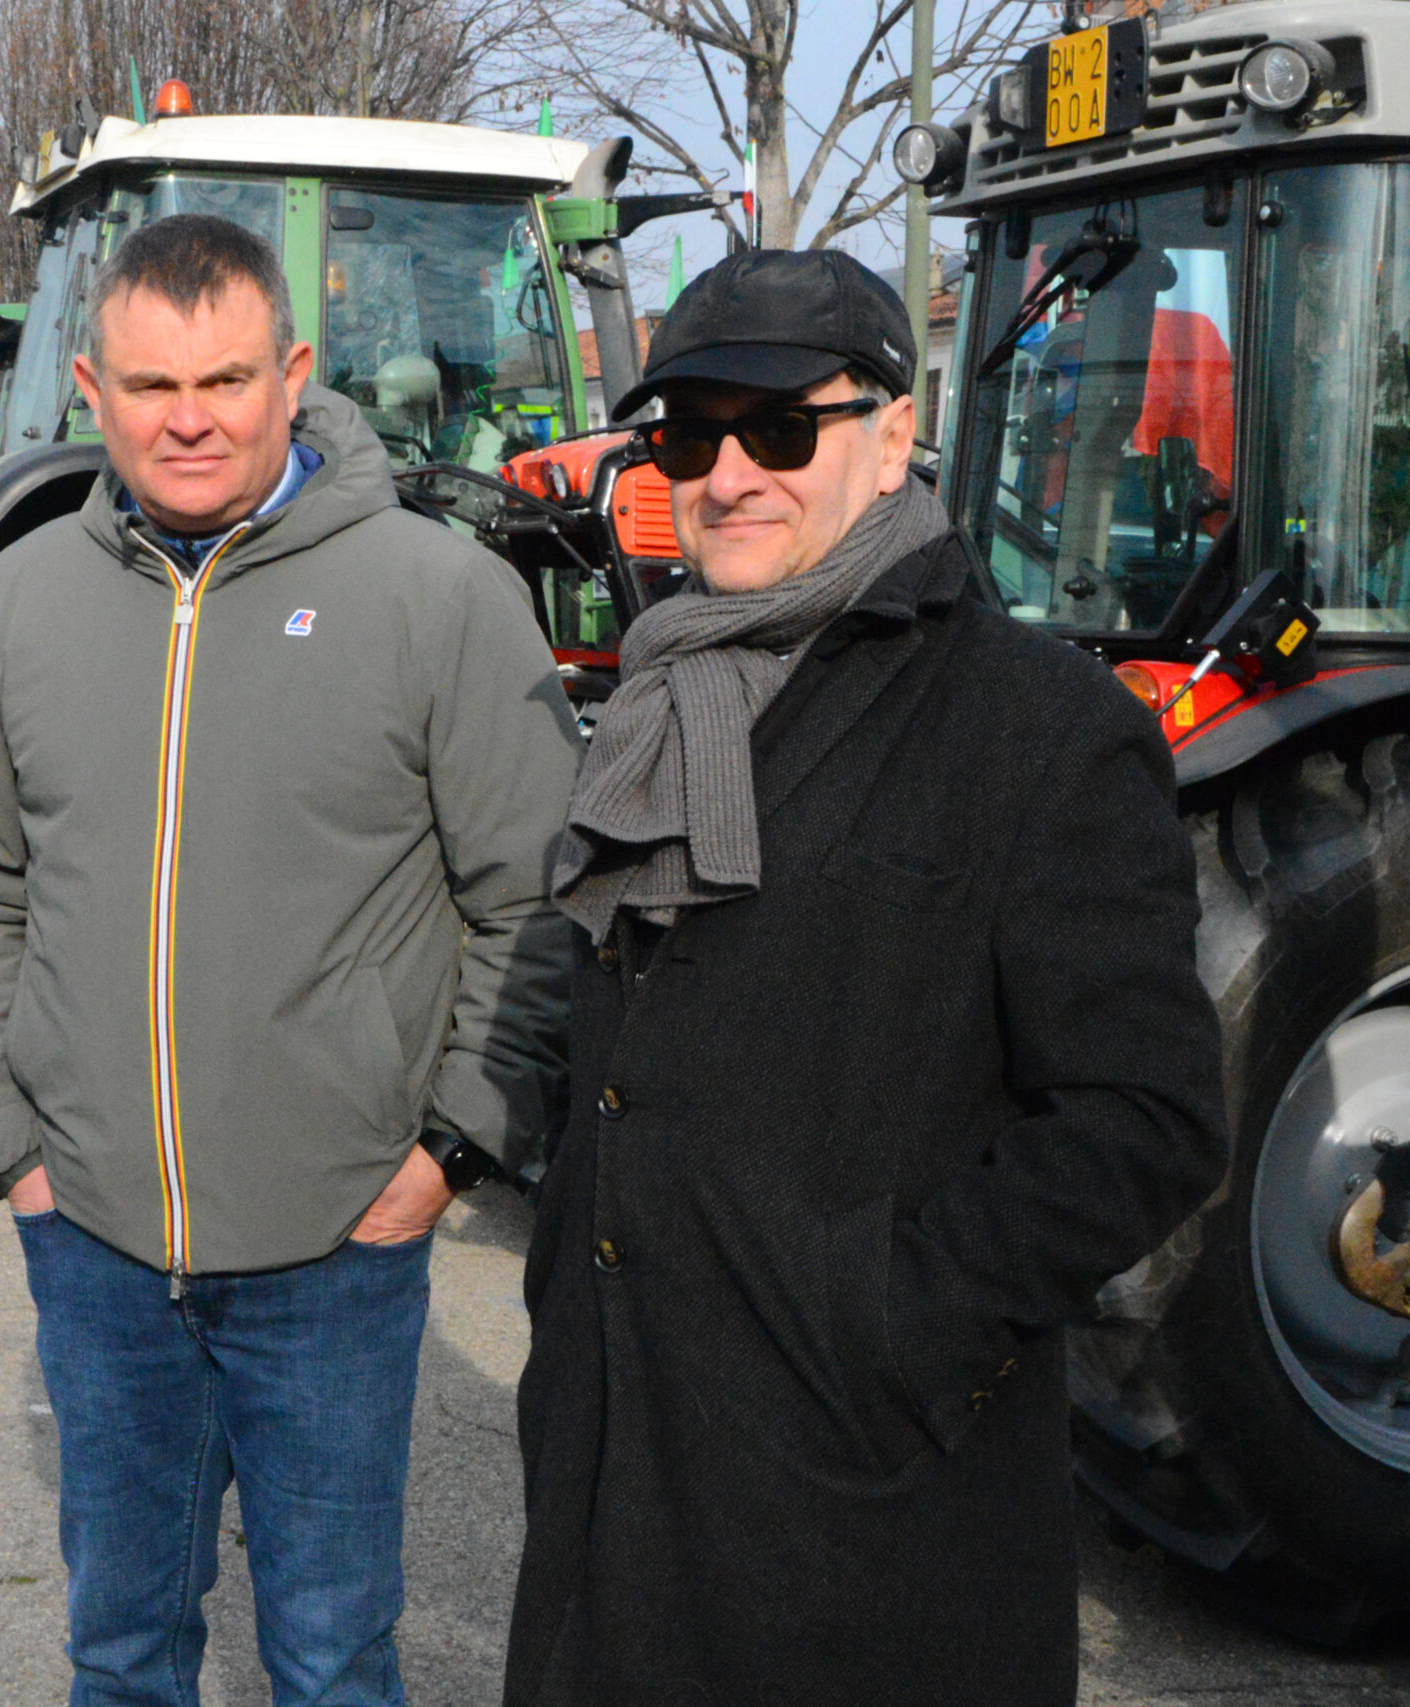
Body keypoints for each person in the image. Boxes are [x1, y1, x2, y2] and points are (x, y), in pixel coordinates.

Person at [504, 248, 1230, 1706]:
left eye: (781, 430)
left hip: (863, 1523)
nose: (727, 476)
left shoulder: (1035, 728)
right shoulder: (660, 698)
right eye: (690, 437)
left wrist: (892, 1318)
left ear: (893, 438)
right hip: (619, 1467)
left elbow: (1146, 1120)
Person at [0, 213, 581, 1707]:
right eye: (151, 386)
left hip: (337, 1246)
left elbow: (538, 894)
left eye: (223, 378)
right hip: (93, 1242)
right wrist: (1, 1140)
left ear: (296, 373)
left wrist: (448, 1152)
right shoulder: (26, 602)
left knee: (332, 1658)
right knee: (123, 1649)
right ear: (91, 388)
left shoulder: (437, 595)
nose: (189, 418)